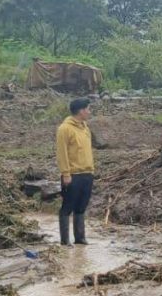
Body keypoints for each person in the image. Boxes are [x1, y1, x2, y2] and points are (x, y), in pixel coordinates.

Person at [56, 97, 95, 245]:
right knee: (68, 206)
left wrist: (91, 170)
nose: (89, 112)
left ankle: (80, 237)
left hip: (87, 173)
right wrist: (65, 173)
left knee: (81, 206)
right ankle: (65, 240)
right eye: (88, 109)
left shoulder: (85, 128)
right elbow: (62, 153)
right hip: (73, 175)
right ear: (81, 111)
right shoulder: (64, 129)